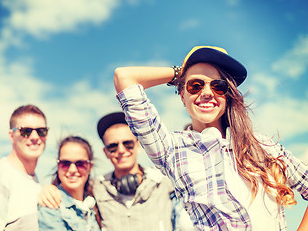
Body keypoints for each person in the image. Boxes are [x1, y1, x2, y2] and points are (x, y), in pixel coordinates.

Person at [113, 45, 308, 230]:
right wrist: (182, 72)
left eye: (218, 86)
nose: (207, 92)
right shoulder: (172, 150)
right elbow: (125, 77)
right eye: (195, 85)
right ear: (182, 95)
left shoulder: (264, 146)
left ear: (228, 95)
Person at [39, 112, 192, 231]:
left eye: (128, 144)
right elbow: (72, 189)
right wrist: (49, 189)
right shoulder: (97, 187)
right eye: (113, 146)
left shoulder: (164, 181)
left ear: (138, 145)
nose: (121, 150)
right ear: (105, 152)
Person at [0, 104, 48, 231]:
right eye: (26, 131)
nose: (35, 137)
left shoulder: (35, 181)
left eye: (41, 131)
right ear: (11, 136)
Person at [38, 136, 101, 230]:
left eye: (80, 164)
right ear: (58, 166)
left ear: (90, 166)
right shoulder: (51, 207)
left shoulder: (94, 203)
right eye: (65, 163)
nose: (72, 170)